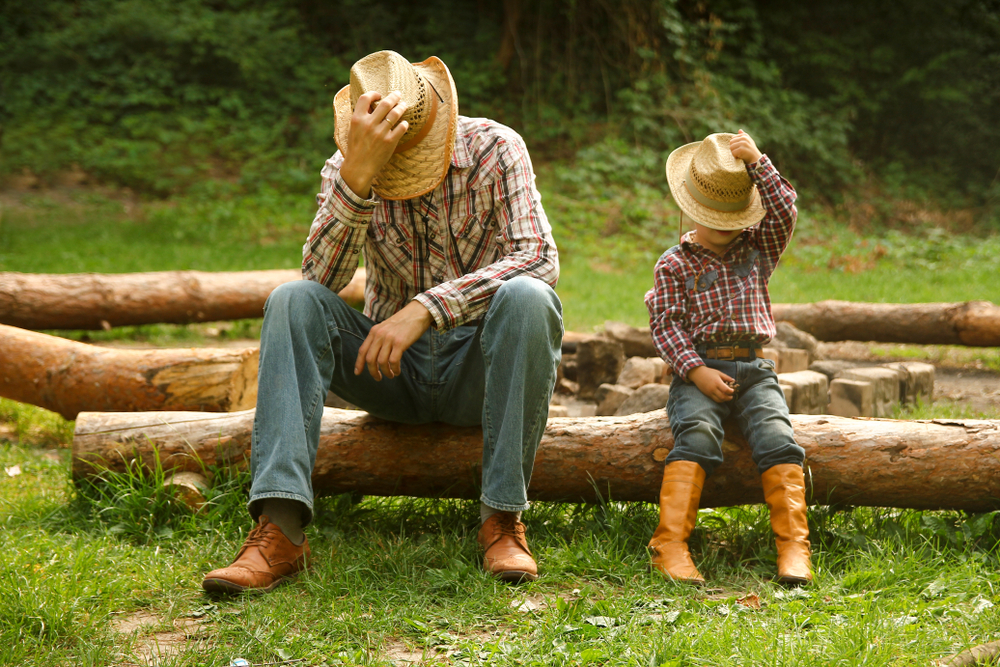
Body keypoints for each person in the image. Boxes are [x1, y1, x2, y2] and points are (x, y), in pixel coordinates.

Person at [201, 50, 562, 593]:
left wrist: (426, 308)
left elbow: (539, 257)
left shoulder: (497, 148)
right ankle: (280, 529)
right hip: (389, 373)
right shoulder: (345, 166)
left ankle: (502, 519)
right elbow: (318, 278)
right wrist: (360, 176)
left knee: (530, 296)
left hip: (479, 372)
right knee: (291, 300)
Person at [644, 130, 811, 585]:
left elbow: (785, 211)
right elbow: (665, 324)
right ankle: (669, 542)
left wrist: (758, 162)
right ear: (690, 207)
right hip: (698, 368)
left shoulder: (757, 248)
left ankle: (794, 545)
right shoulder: (673, 264)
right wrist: (696, 372)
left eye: (731, 214)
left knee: (778, 437)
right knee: (697, 434)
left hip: (754, 370)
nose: (723, 222)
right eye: (712, 214)